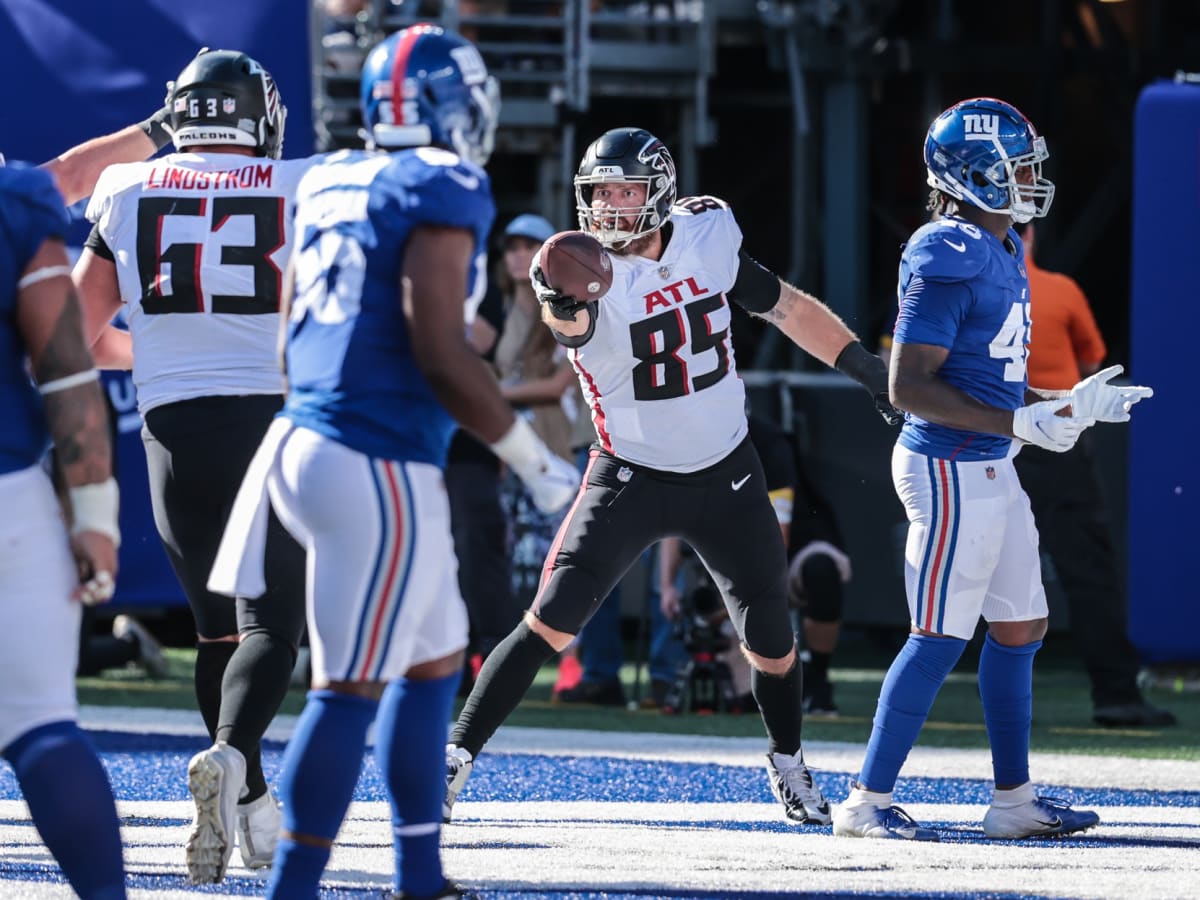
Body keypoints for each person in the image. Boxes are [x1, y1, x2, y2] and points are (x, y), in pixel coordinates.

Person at [206, 25, 577, 899]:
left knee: (433, 659)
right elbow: (441, 349)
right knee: (347, 686)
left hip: (308, 439)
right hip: (374, 460)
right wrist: (532, 459)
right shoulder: (442, 180)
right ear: (457, 105)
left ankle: (421, 875)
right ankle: (293, 886)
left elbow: (294, 323)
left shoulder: (329, 175)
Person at [445, 125, 903, 827]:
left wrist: (865, 368)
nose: (610, 208)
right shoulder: (581, 273)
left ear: (660, 191)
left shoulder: (706, 232)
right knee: (551, 619)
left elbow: (782, 304)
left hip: (727, 469)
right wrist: (559, 301)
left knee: (771, 643)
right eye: (599, 195)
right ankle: (454, 760)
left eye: (626, 192)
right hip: (629, 473)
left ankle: (787, 761)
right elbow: (567, 323)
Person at [832, 97, 1151, 842]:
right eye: (1019, 167)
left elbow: (990, 381)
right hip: (947, 467)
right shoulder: (945, 249)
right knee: (939, 634)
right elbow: (907, 387)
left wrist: (1065, 404)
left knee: (1020, 625)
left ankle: (1013, 801)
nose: (1034, 178)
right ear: (974, 173)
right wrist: (1019, 422)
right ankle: (866, 801)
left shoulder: (1001, 246)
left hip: (990, 464)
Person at [73, 48, 316, 883]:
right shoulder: (306, 186)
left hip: (169, 426)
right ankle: (230, 758)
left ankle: (244, 799)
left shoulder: (126, 188)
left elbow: (74, 334)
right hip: (271, 419)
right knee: (272, 628)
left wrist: (160, 352)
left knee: (217, 630)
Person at [0, 161, 127, 899]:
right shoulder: (14, 202)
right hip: (9, 496)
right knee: (43, 730)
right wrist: (95, 514)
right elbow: (67, 368)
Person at [1013, 221, 1174, 728]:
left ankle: (963, 695)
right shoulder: (1060, 290)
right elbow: (1093, 359)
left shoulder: (967, 286)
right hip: (1058, 438)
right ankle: (1116, 695)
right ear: (1032, 235)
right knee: (1087, 567)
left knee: (970, 568)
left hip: (989, 437)